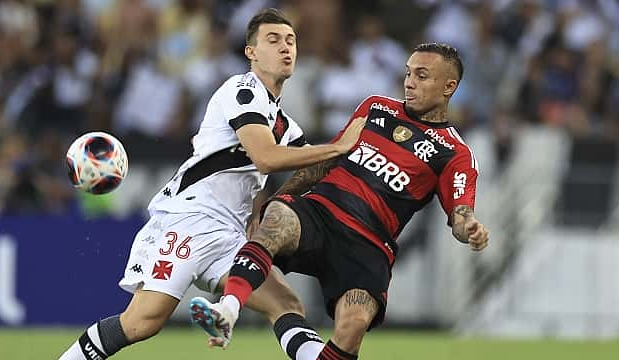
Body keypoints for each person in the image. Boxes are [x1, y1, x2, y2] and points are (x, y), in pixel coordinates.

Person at [59, 8, 366, 360]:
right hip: (191, 220)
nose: (286, 48)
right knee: (142, 322)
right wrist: (339, 145)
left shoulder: (282, 121)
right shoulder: (242, 91)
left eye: (291, 41)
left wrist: (365, 148)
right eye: (273, 40)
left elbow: (310, 165)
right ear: (251, 52)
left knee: (285, 303)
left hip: (227, 233)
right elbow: (266, 157)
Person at [190, 43, 490, 359]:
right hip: (320, 213)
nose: (409, 82)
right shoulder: (376, 107)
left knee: (353, 326)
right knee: (277, 218)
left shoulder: (455, 153)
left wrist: (468, 226)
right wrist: (277, 201)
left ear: (449, 86)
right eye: (408, 73)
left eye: (422, 75)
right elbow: (328, 159)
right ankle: (228, 310)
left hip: (369, 244)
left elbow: (460, 212)